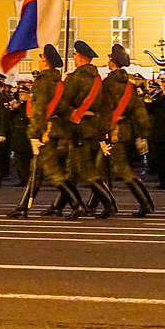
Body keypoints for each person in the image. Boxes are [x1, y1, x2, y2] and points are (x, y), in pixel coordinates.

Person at [9, 44, 84, 219]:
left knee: (52, 172)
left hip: (46, 132)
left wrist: (34, 134)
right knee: (36, 170)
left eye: (41, 59)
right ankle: (23, 206)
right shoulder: (58, 83)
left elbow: (38, 110)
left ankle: (77, 204)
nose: (40, 62)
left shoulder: (42, 83)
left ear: (45, 62)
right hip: (59, 131)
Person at [56, 41, 116, 218]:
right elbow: (105, 106)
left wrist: (63, 84)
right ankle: (65, 206)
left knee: (85, 170)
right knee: (74, 169)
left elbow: (64, 102)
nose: (73, 59)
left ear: (80, 58)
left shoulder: (76, 78)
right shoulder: (97, 79)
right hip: (92, 127)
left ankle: (107, 203)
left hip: (78, 127)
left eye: (74, 56)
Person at [99, 44, 154, 216]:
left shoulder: (108, 84)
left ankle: (144, 203)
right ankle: (103, 204)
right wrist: (142, 135)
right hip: (125, 131)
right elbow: (140, 111)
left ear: (112, 62)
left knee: (122, 169)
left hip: (113, 132)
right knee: (102, 168)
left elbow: (104, 111)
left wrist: (101, 135)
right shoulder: (129, 85)